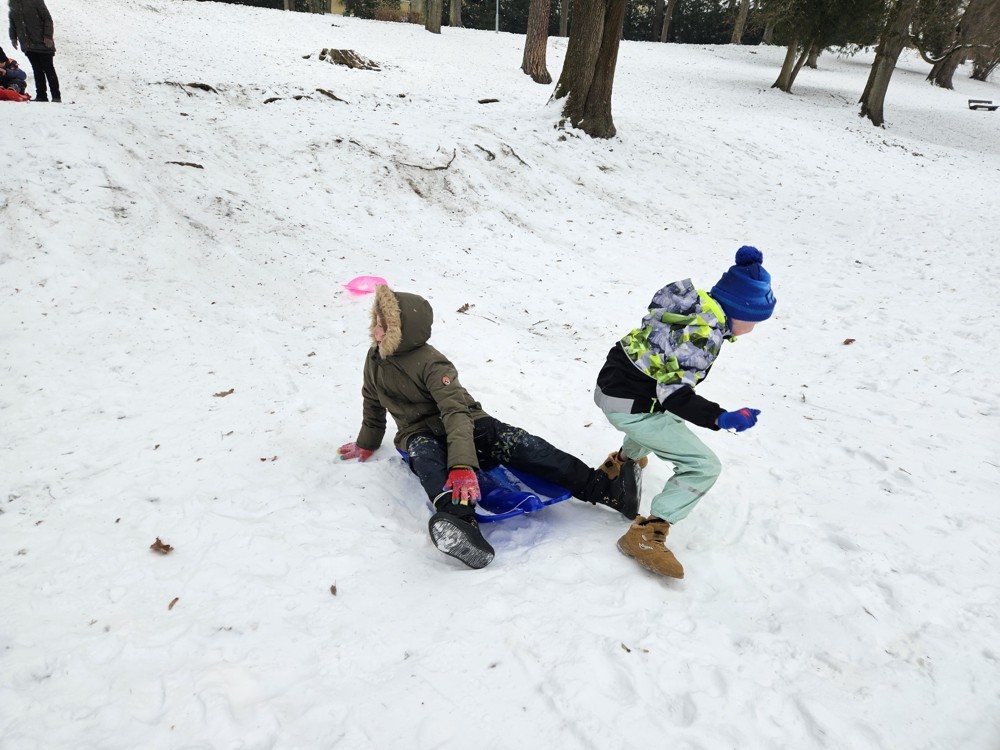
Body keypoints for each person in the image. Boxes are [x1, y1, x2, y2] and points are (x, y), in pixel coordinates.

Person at [339, 284, 641, 570]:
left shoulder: (432, 364)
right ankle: (461, 524)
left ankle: (605, 489)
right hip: (417, 431)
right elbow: (371, 400)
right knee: (427, 460)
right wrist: (367, 441)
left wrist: (462, 465)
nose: (376, 330)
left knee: (521, 445)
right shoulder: (375, 359)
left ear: (404, 332)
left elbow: (455, 412)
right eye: (376, 322)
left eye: (384, 325)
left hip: (468, 421)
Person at [594, 246, 776, 579]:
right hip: (632, 405)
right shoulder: (703, 336)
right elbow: (674, 395)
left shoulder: (696, 307)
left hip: (613, 387)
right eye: (755, 320)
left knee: (667, 421)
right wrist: (720, 417)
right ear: (740, 311)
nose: (754, 327)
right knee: (703, 465)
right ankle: (646, 534)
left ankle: (620, 465)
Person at [8, 0, 60, 103]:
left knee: (49, 69)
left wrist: (48, 36)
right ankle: (41, 95)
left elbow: (47, 19)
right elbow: (13, 22)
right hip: (28, 44)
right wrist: (13, 37)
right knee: (37, 70)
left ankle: (56, 96)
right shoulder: (13, 4)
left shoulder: (36, 1)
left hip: (43, 43)